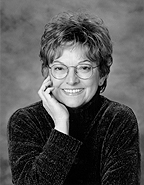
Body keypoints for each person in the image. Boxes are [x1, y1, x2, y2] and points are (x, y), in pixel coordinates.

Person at [7, 11, 141, 185]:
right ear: (48, 73)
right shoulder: (25, 121)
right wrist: (61, 126)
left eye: (84, 68)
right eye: (60, 68)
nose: (71, 80)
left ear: (102, 74)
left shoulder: (118, 119)